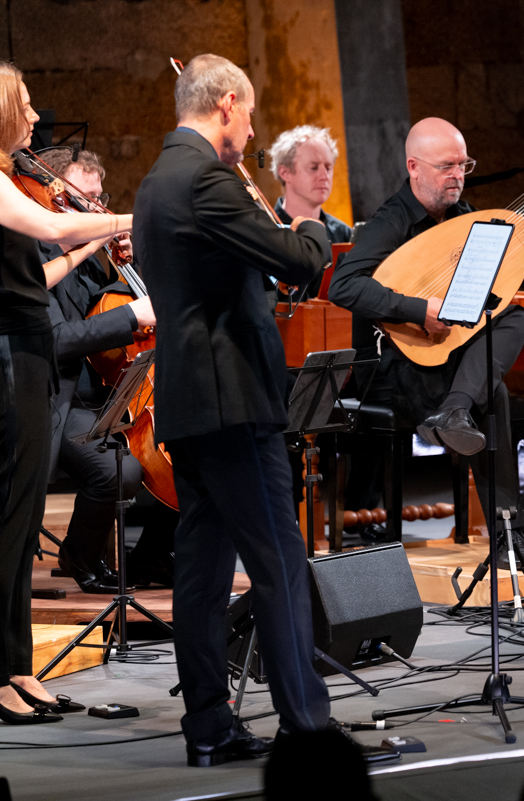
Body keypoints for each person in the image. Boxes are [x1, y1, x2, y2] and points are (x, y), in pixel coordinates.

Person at [133, 53, 353, 766]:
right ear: (227, 103)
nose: (252, 129)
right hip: (232, 405)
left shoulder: (155, 181)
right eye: (252, 113)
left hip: (190, 406)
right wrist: (313, 225)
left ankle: (209, 725)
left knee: (200, 569)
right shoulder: (206, 179)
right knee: (280, 559)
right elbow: (292, 258)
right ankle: (309, 727)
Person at [327, 117, 524, 560]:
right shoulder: (391, 222)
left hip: (448, 360)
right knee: (496, 397)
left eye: (463, 165)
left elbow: (520, 274)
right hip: (396, 368)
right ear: (414, 166)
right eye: (447, 166)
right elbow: (344, 285)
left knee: (517, 316)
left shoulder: (465, 217)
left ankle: (455, 412)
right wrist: (417, 310)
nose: (458, 175)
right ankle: (512, 540)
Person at [0, 61, 134, 724]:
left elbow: (43, 268)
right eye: (22, 104)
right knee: (7, 521)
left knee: (24, 526)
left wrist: (92, 249)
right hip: (8, 360)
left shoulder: (12, 182)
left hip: (25, 355)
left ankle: (18, 668)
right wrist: (124, 221)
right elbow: (53, 229)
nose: (33, 116)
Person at [37, 147, 177, 594]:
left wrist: (131, 263)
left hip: (107, 395)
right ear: (57, 200)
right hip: (58, 400)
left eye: (101, 197)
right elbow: (62, 339)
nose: (99, 209)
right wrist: (132, 316)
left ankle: (151, 557)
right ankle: (81, 555)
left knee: (188, 448)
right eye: (88, 199)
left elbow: (121, 306)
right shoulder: (37, 259)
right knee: (121, 471)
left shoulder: (92, 258)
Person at [267, 125, 352, 301]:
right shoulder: (266, 229)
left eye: (328, 167)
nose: (324, 176)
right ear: (285, 172)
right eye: (313, 168)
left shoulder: (344, 233)